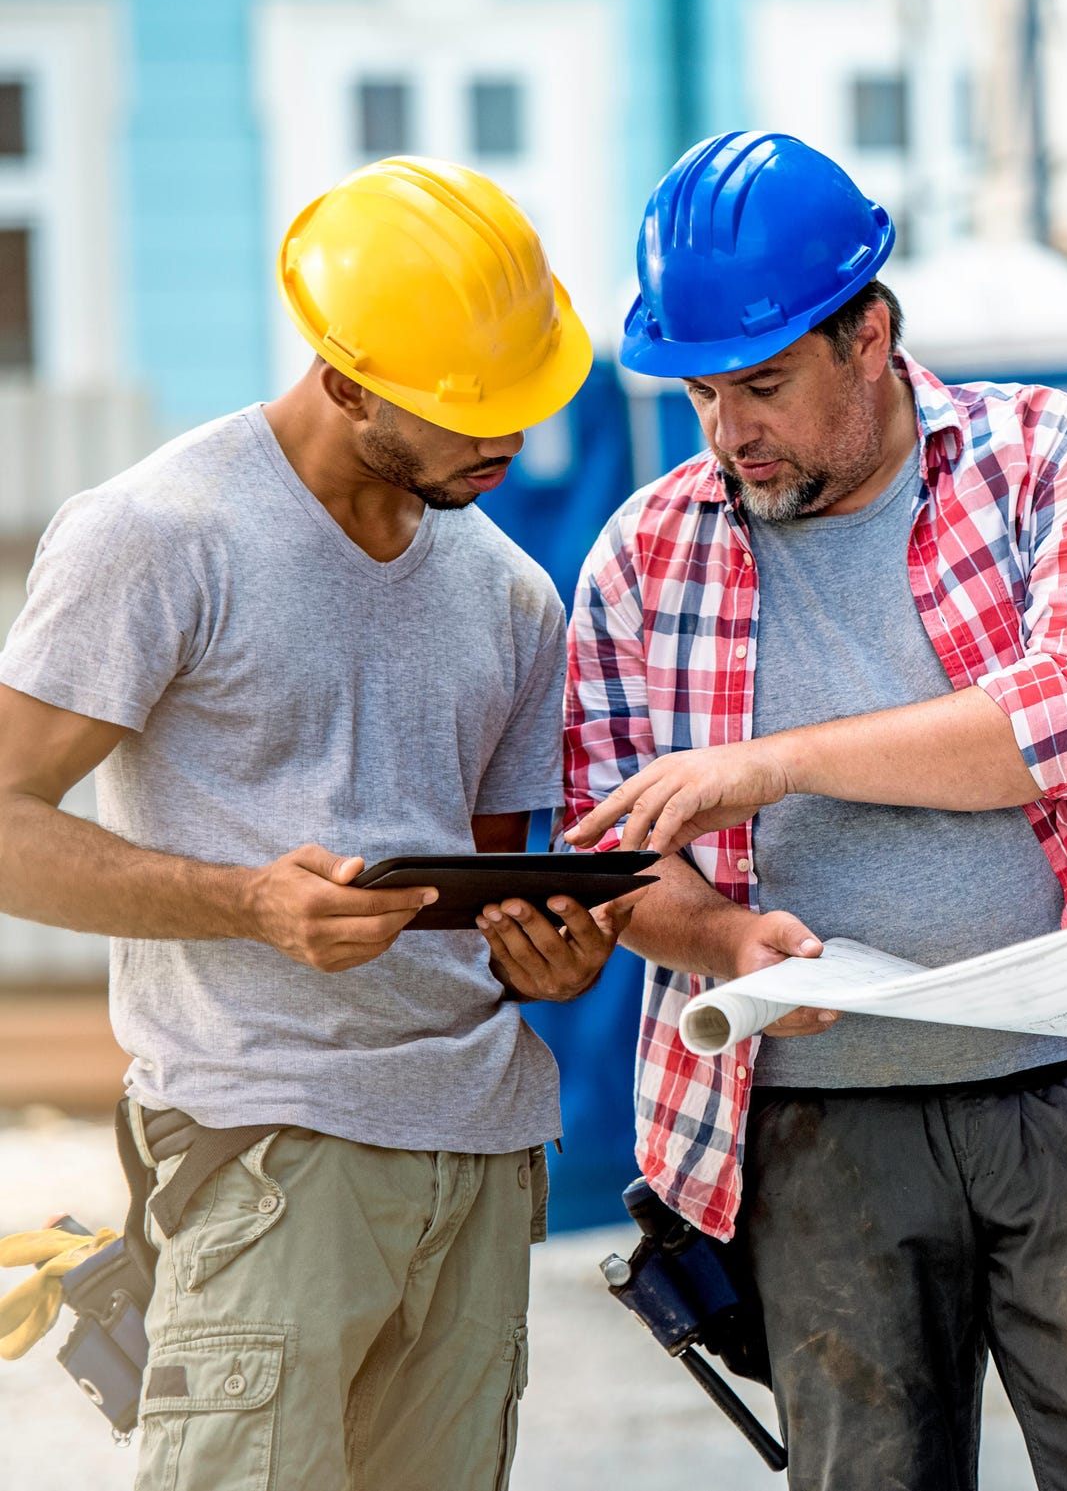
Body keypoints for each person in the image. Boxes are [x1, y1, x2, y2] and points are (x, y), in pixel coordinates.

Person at [561, 130, 1067, 1490]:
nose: (732, 429)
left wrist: (773, 761)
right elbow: (613, 855)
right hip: (814, 1128)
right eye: (702, 395)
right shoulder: (640, 556)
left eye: (764, 384)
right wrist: (723, 941)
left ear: (871, 334)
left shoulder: (1045, 458)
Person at [0, 157, 627, 1490]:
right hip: (268, 1151)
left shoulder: (514, 595)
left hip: (476, 1150)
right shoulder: (158, 535)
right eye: (472, 410)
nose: (509, 440)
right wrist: (250, 902)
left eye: (526, 398)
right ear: (344, 380)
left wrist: (553, 957)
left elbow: (500, 888)